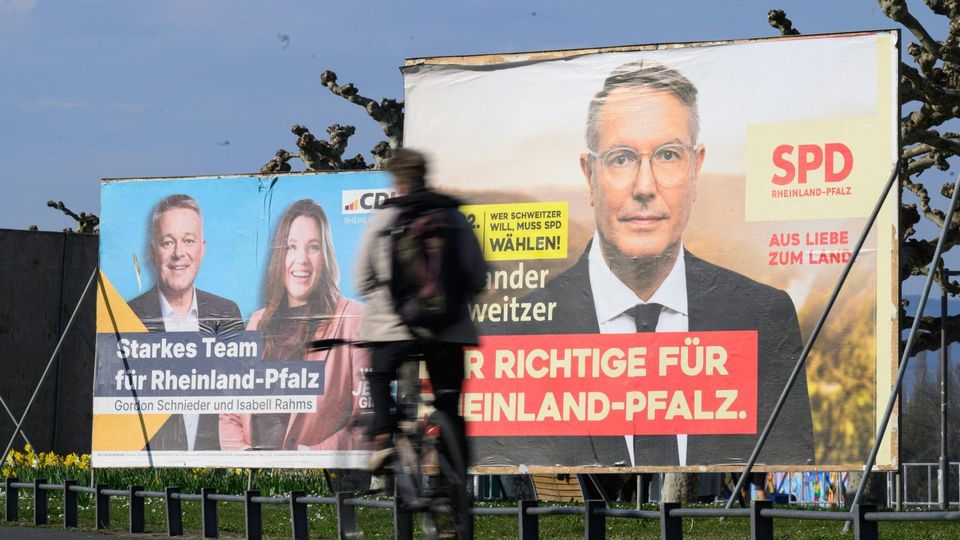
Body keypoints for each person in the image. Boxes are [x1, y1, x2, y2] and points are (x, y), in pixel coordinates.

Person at [475, 61, 814, 476]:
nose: (645, 187)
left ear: (696, 169)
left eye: (669, 155)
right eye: (621, 159)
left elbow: (786, 473)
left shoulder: (762, 316)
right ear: (590, 175)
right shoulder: (514, 336)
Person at [354, 148, 487, 470]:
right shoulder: (454, 217)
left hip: (394, 328)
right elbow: (479, 276)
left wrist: (390, 299)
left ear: (397, 181)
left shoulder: (385, 218)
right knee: (448, 400)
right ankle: (454, 469)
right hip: (448, 330)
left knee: (379, 374)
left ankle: (383, 436)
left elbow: (362, 280)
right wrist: (450, 301)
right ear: (426, 175)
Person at [219, 199, 369, 451]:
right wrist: (245, 458)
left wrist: (309, 459)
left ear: (325, 255)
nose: (302, 260)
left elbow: (365, 420)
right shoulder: (257, 322)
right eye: (291, 247)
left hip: (320, 473)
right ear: (280, 255)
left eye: (313, 247)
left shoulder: (353, 318)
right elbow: (230, 412)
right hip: (256, 473)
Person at [128, 193, 243, 451]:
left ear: (202, 249)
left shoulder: (226, 314)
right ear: (152, 251)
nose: (179, 253)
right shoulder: (130, 316)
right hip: (147, 468)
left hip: (215, 470)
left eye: (188, 241)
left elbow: (239, 399)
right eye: (168, 242)